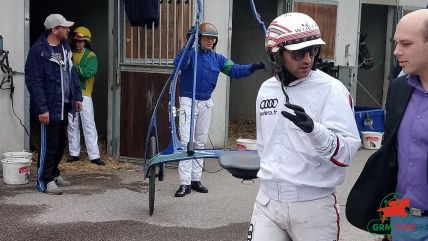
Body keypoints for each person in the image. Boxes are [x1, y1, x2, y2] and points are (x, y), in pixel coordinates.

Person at [249, 13, 361, 241]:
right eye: (298, 53)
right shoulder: (266, 90)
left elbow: (348, 153)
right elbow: (264, 145)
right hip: (268, 202)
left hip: (314, 206)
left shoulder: (332, 90)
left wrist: (314, 130)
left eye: (313, 50)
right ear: (276, 54)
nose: (308, 59)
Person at [347, 9, 428, 241]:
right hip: (403, 221)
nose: (396, 51)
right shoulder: (398, 89)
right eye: (396, 43)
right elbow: (392, 155)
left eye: (406, 43)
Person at [173, 22, 266, 197]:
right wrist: (187, 44)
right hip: (188, 101)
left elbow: (235, 70)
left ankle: (195, 180)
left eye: (212, 38)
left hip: (206, 102)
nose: (210, 41)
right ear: (198, 39)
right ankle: (184, 183)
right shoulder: (190, 54)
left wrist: (252, 67)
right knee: (187, 143)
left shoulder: (219, 59)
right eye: (206, 37)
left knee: (200, 143)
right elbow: (178, 64)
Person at [25, 14, 83, 195]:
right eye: (64, 27)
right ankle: (45, 180)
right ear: (54, 29)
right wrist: (42, 108)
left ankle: (54, 173)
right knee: (48, 144)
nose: (68, 30)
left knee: (60, 143)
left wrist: (77, 97)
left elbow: (72, 74)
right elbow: (35, 82)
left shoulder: (65, 47)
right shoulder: (39, 51)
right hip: (49, 106)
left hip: (65, 103)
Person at [67, 26, 105, 166]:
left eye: (81, 41)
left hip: (85, 94)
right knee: (72, 124)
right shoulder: (68, 53)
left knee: (88, 124)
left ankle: (94, 155)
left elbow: (89, 72)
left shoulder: (91, 55)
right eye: (76, 41)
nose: (78, 43)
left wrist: (72, 68)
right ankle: (73, 153)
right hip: (70, 94)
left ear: (86, 42)